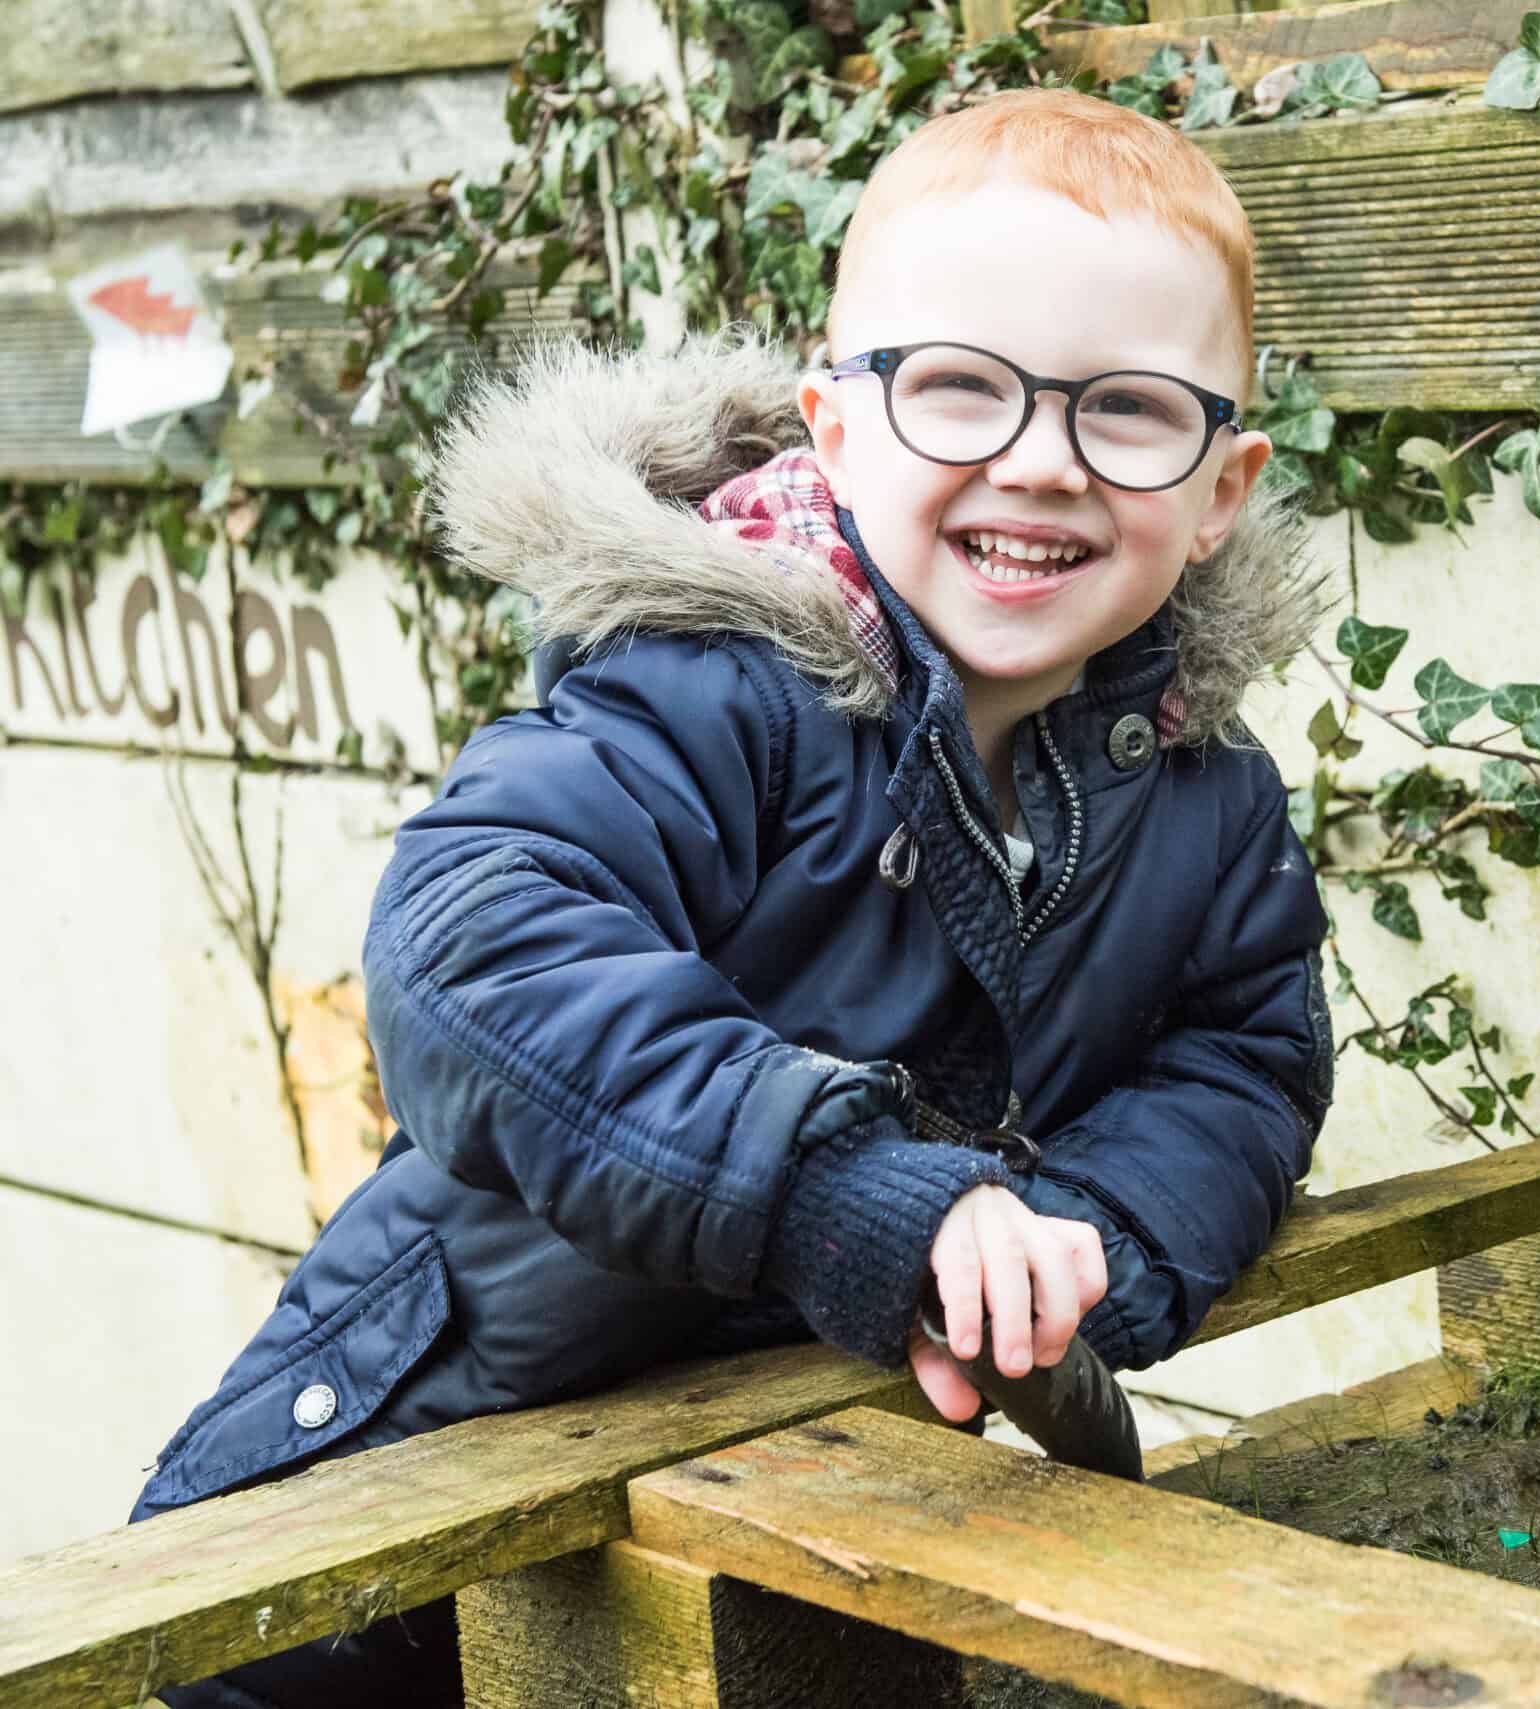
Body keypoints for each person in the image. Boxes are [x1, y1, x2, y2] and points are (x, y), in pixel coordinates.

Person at [132, 87, 1334, 1708]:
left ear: (1221, 488)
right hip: (431, 1476)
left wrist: (1074, 1241)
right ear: (834, 430)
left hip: (810, 1504)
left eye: (1125, 412)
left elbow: (1243, 1054)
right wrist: (843, 1188)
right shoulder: (713, 691)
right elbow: (470, 942)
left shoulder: (1204, 792)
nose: (1040, 464)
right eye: (963, 389)